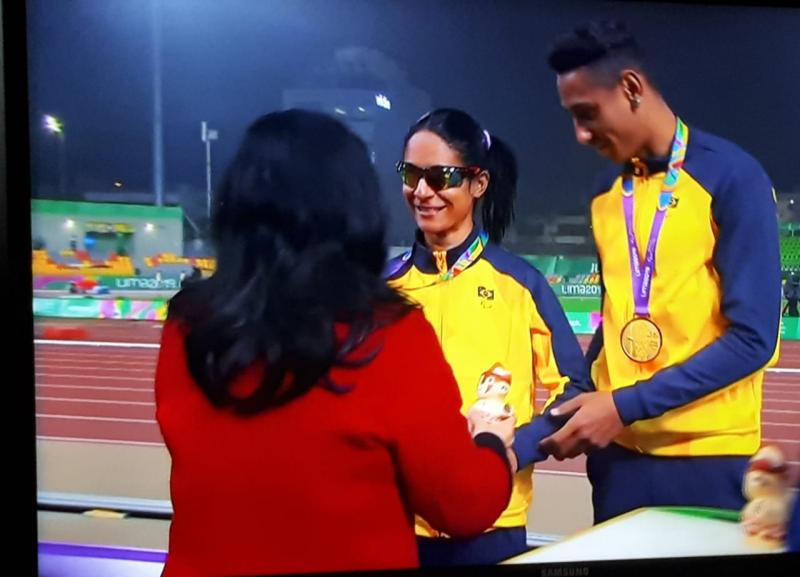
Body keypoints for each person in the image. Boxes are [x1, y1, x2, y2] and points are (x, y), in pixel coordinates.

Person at [155, 109, 515, 576]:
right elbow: (463, 505)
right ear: (356, 209)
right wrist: (491, 443)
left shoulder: (186, 324)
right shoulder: (387, 331)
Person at [513, 19, 781, 525]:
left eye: (587, 114)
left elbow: (754, 339)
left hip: (708, 460)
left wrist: (623, 405)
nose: (580, 134)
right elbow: (614, 324)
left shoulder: (733, 176)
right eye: (571, 118)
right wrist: (527, 441)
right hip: (618, 463)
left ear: (631, 88)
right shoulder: (602, 194)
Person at [386, 108, 590, 565]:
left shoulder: (522, 284)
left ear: (478, 183)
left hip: (492, 525)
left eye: (440, 176)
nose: (421, 191)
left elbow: (576, 390)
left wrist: (511, 452)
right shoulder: (379, 290)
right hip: (394, 521)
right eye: (411, 173)